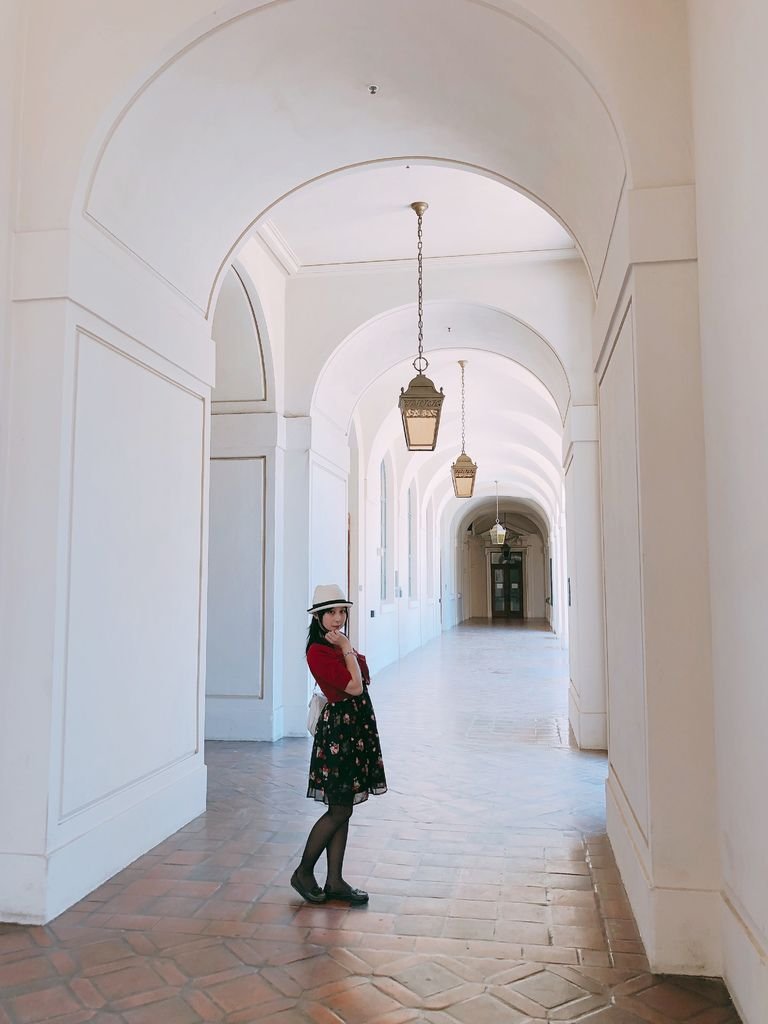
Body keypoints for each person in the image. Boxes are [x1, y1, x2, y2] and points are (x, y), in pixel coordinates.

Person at [290, 584, 387, 905]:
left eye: (342, 611)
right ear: (318, 616)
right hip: (339, 736)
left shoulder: (339, 646)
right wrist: (347, 648)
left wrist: (348, 651)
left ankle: (335, 881)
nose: (338, 618)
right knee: (339, 808)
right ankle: (304, 872)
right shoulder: (318, 651)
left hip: (356, 732)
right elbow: (356, 686)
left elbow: (366, 674)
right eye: (331, 612)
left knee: (341, 809)